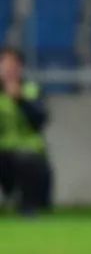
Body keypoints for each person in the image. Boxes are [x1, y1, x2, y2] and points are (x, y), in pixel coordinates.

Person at [0, 46, 53, 216]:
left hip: (28, 151)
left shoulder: (31, 90)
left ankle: (29, 207)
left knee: (29, 161)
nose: (8, 69)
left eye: (12, 64)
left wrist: (20, 100)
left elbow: (40, 120)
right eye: (4, 64)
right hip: (2, 152)